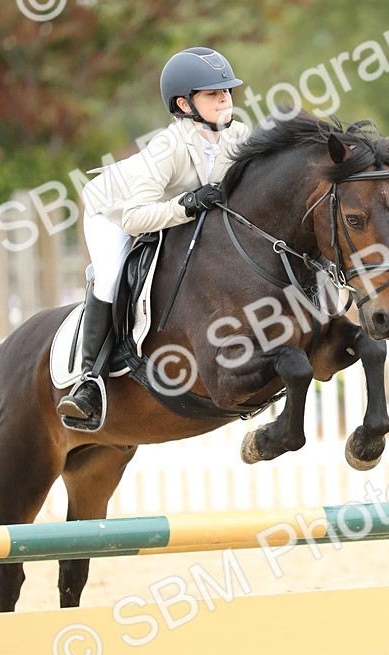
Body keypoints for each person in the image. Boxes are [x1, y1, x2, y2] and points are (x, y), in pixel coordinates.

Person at [57, 46, 250, 432]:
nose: (225, 99)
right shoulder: (169, 146)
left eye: (227, 91)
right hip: (111, 212)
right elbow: (133, 217)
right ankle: (88, 381)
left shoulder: (239, 135)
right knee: (111, 276)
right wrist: (189, 204)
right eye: (213, 93)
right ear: (184, 103)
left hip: (163, 211)